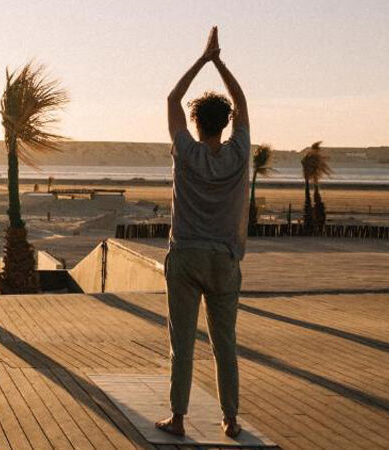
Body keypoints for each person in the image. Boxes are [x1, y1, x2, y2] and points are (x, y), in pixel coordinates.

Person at [155, 26, 250, 439]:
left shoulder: (187, 153)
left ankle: (178, 417)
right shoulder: (239, 153)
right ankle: (230, 419)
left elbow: (173, 98)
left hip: (186, 257)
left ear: (195, 123)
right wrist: (220, 62)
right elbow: (243, 101)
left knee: (183, 344)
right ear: (226, 123)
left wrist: (202, 59)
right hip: (224, 259)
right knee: (225, 344)